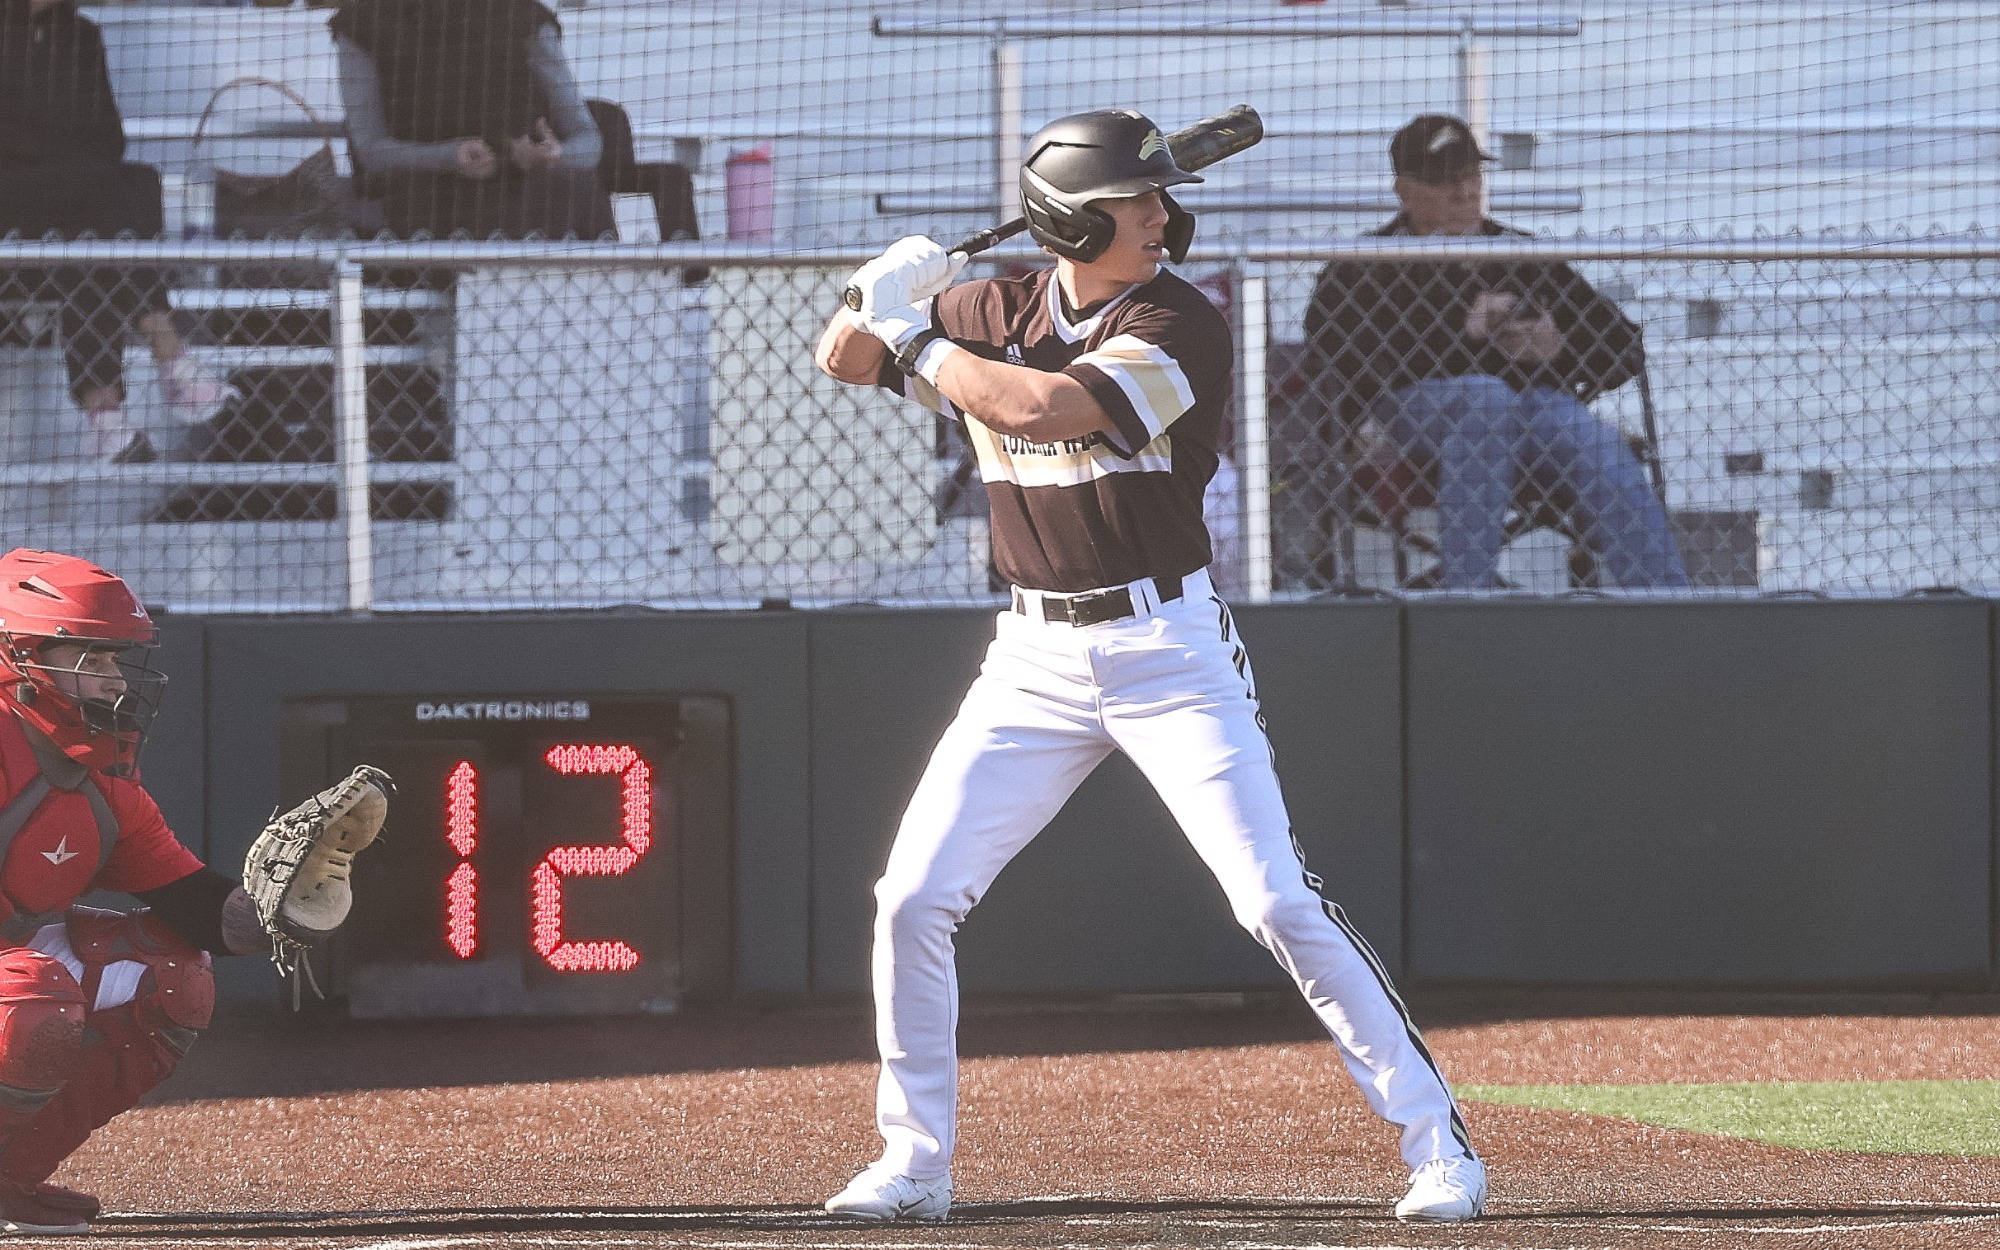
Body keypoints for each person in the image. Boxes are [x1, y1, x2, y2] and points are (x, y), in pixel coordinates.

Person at [813, 109, 1486, 1226]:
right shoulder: (994, 306)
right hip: (1030, 654)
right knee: (911, 897)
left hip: (1167, 650)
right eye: (1139, 206)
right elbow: (842, 357)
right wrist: (869, 289)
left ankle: (1437, 1143)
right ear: (1073, 222)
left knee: (1273, 896)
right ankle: (913, 1159)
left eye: (1161, 200)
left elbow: (1052, 407)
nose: (1166, 217)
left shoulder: (1180, 317)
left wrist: (916, 336)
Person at [0, 548, 384, 1236]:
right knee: (30, 998)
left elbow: (197, 909)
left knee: (174, 976)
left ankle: (7, 1180)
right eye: (93, 661)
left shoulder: (107, 782)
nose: (116, 681)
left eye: (117, 659)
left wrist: (279, 908)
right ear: (18, 658)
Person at [1303, 113, 1688, 589]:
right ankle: (1470, 596)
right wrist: (1459, 331)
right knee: (1486, 400)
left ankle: (1667, 601)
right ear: (1404, 190)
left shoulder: (1518, 253)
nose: (1464, 193)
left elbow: (1624, 347)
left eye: (1471, 176)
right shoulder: (1368, 262)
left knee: (1590, 437)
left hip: (1532, 413)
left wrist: (1557, 350)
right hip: (1412, 412)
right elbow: (1334, 348)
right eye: (1445, 182)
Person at [0, 0, 237, 462]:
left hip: (71, 201)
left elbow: (109, 133)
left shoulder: (82, 35)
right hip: (10, 198)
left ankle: (106, 414)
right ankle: (168, 351)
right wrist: (70, 158)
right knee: (104, 188)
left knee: (127, 192)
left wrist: (69, 161)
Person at [329, 0, 612, 242]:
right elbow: (370, 151)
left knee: (570, 190)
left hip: (537, 205)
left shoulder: (526, 17)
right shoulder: (364, 23)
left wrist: (555, 155)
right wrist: (449, 156)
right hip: (425, 214)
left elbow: (589, 141)